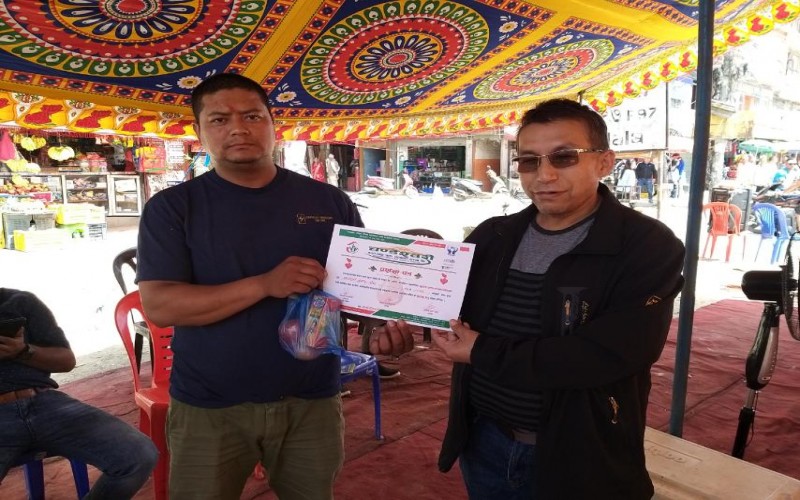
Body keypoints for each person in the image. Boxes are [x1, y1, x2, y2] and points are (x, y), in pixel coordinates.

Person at [136, 73, 413, 499]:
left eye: (252, 116)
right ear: (199, 131)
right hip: (211, 404)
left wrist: (384, 328)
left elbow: (359, 287)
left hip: (312, 398)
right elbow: (161, 305)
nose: (238, 129)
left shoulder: (328, 201)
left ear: (272, 123)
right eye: (219, 119)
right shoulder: (173, 208)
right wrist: (265, 284)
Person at [432, 98, 685, 499]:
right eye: (529, 161)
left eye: (564, 157)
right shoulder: (493, 235)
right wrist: (401, 324)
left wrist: (482, 351)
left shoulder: (646, 246)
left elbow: (610, 354)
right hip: (484, 440)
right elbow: (449, 313)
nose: (544, 175)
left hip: (581, 455)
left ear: (604, 162)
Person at [0, 288, 158, 498]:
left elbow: (66, 361)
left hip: (44, 403)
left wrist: (23, 351)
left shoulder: (21, 302)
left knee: (139, 455)